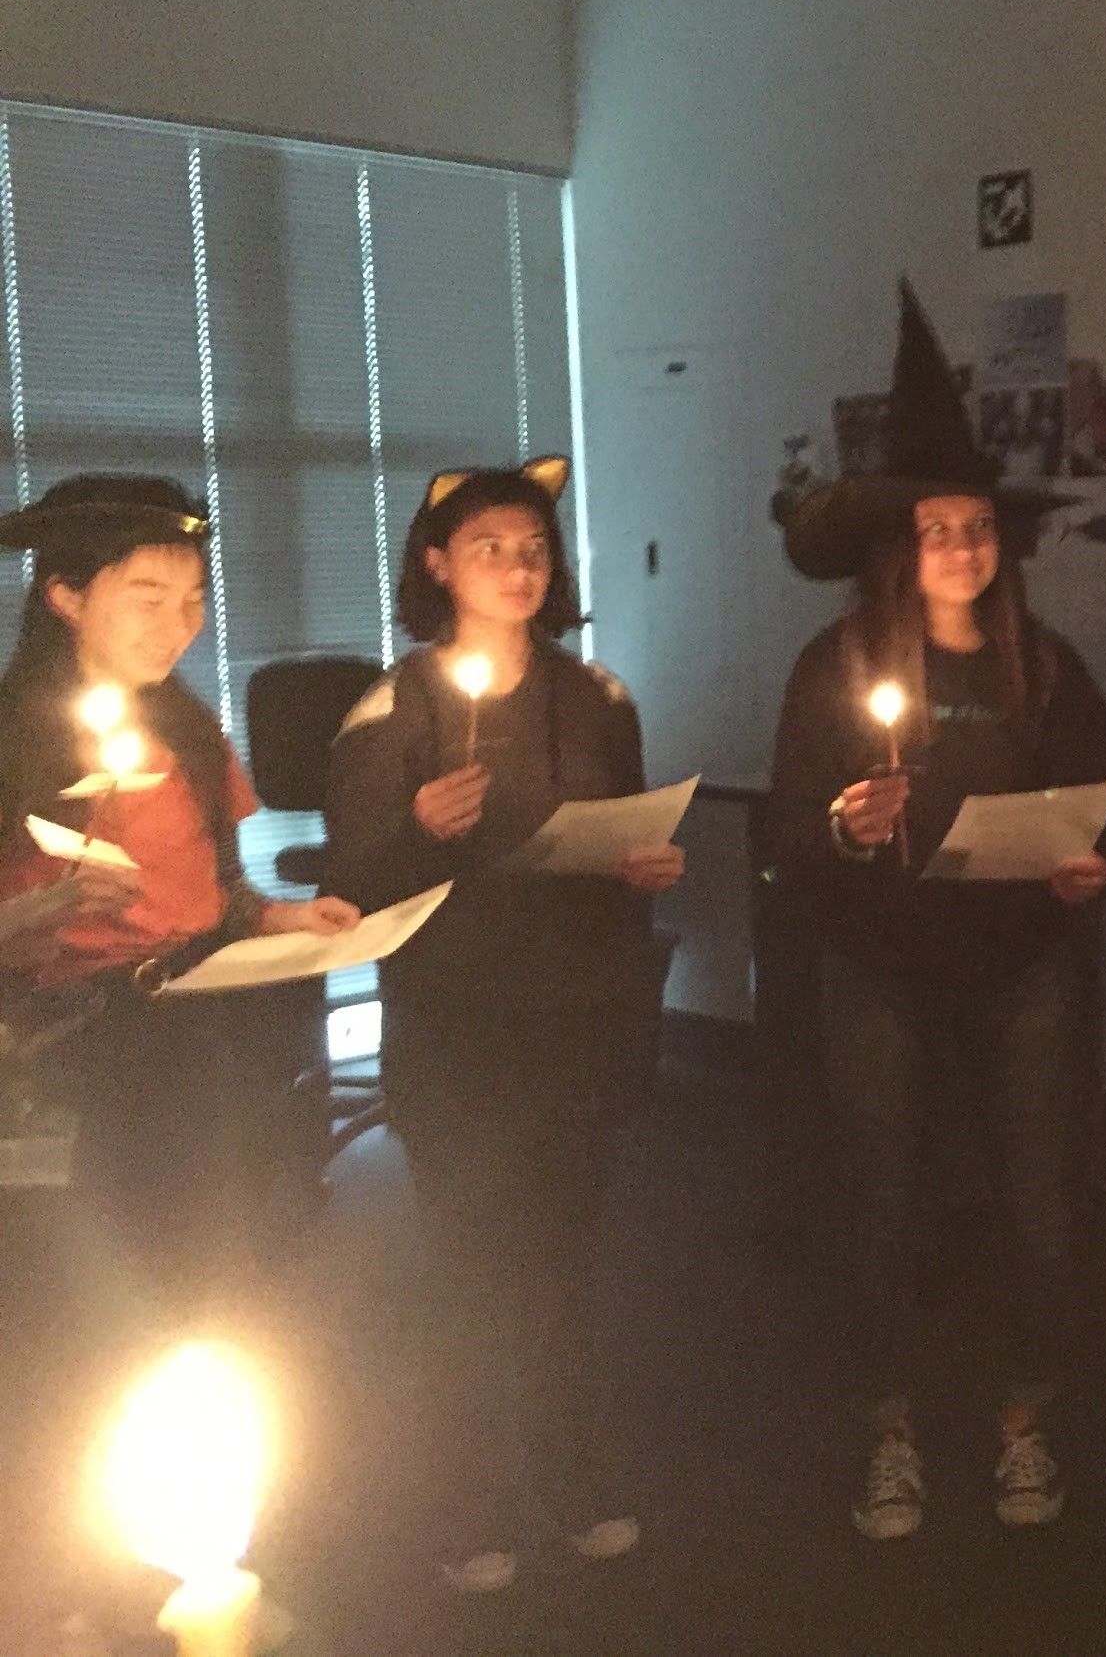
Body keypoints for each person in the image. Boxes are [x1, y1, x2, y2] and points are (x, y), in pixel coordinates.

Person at [769, 282, 1106, 1544]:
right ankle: (892, 1432)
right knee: (881, 1196)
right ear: (896, 546)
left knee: (1039, 1200)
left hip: (1022, 967)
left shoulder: (1048, 668)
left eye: (979, 527)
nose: (963, 548)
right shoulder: (835, 670)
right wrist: (841, 827)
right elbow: (788, 832)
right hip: (880, 968)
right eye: (937, 529)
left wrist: (1090, 867)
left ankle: (1025, 1422)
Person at [324, 457, 682, 1595]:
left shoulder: (597, 697)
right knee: (471, 1266)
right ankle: (465, 1494)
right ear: (437, 564)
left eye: (533, 549)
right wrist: (421, 829)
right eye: (490, 548)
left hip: (577, 1019)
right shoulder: (397, 707)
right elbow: (354, 886)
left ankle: (572, 1473)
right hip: (459, 1028)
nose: (518, 568)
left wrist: (644, 867)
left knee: (565, 1263)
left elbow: (623, 835)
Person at [0, 474, 358, 1307]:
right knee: (83, 1287)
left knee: (205, 1262)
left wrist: (281, 914)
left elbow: (221, 888)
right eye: (149, 598)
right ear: (64, 593)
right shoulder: (13, 737)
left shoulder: (189, 729)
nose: (180, 626)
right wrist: (33, 914)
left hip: (198, 1026)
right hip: (66, 1047)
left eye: (194, 598)